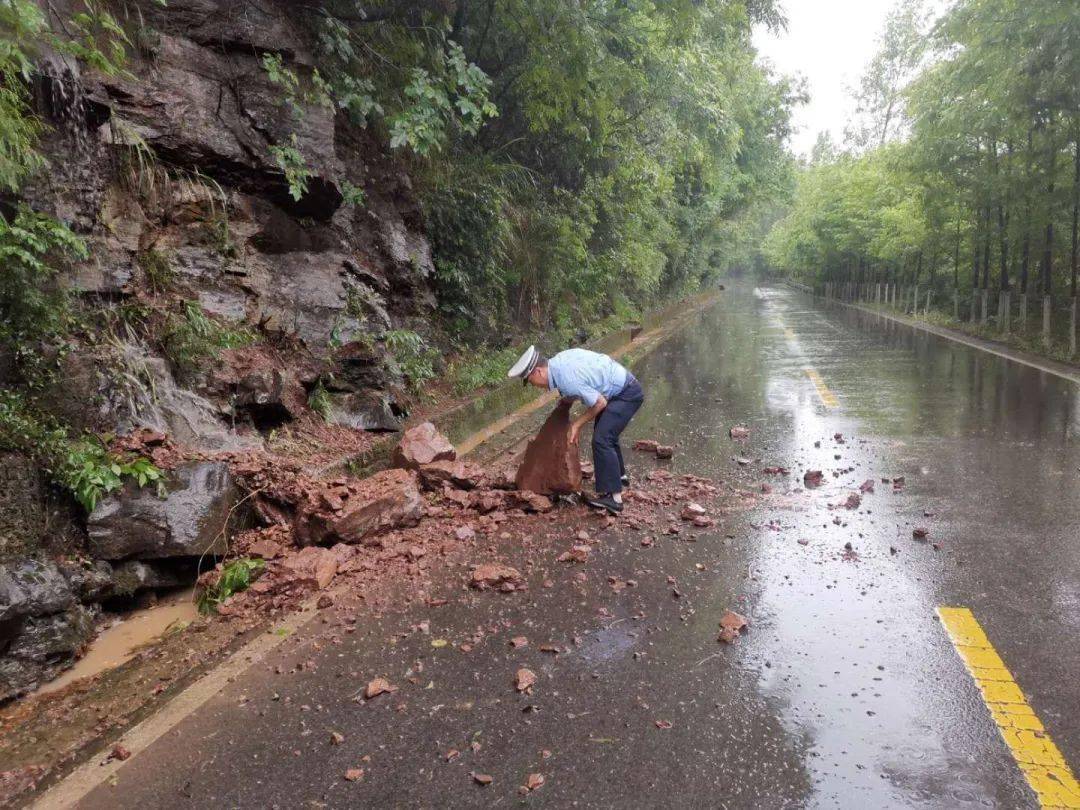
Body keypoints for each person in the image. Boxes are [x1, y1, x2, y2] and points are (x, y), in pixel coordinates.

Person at [508, 345, 644, 514]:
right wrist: (567, 401)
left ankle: (614, 499)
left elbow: (599, 403)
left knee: (602, 439)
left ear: (538, 372)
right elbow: (580, 382)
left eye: (529, 381)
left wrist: (576, 425)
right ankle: (619, 478)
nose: (534, 386)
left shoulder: (565, 378)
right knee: (607, 433)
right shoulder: (558, 363)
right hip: (619, 387)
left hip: (626, 394)